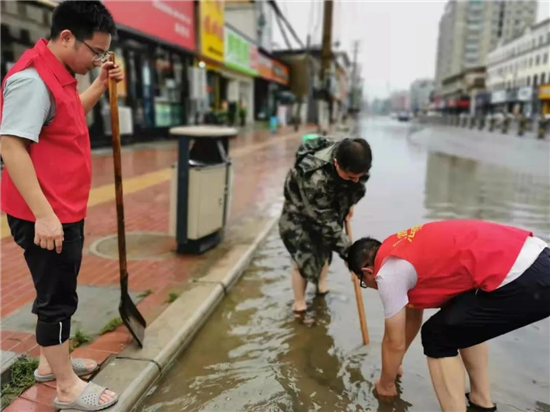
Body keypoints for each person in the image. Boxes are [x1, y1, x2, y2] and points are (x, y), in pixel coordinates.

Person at [0, 1, 123, 410]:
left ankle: (50, 365)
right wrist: (45, 215)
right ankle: (67, 387)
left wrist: (100, 85)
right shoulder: (33, 80)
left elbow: (64, 117)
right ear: (67, 36)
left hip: (60, 207)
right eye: (96, 51)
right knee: (58, 298)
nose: (98, 59)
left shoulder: (61, 75)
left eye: (104, 53)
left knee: (53, 288)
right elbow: (11, 146)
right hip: (46, 213)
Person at [347, 219, 550, 412]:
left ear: (367, 272)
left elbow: (394, 342)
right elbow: (411, 318)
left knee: (437, 336)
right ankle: (481, 401)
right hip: (537, 254)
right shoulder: (401, 247)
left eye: (364, 283)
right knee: (460, 320)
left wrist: (386, 384)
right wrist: (395, 363)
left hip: (524, 276)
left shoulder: (388, 273)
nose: (372, 287)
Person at [279, 135, 372, 316]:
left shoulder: (351, 157)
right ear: (337, 164)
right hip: (301, 212)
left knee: (324, 248)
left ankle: (322, 287)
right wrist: (350, 255)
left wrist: (349, 203)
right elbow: (326, 225)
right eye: (351, 176)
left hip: (329, 205)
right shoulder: (315, 179)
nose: (356, 180)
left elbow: (356, 184)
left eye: (358, 176)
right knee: (303, 256)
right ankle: (299, 305)